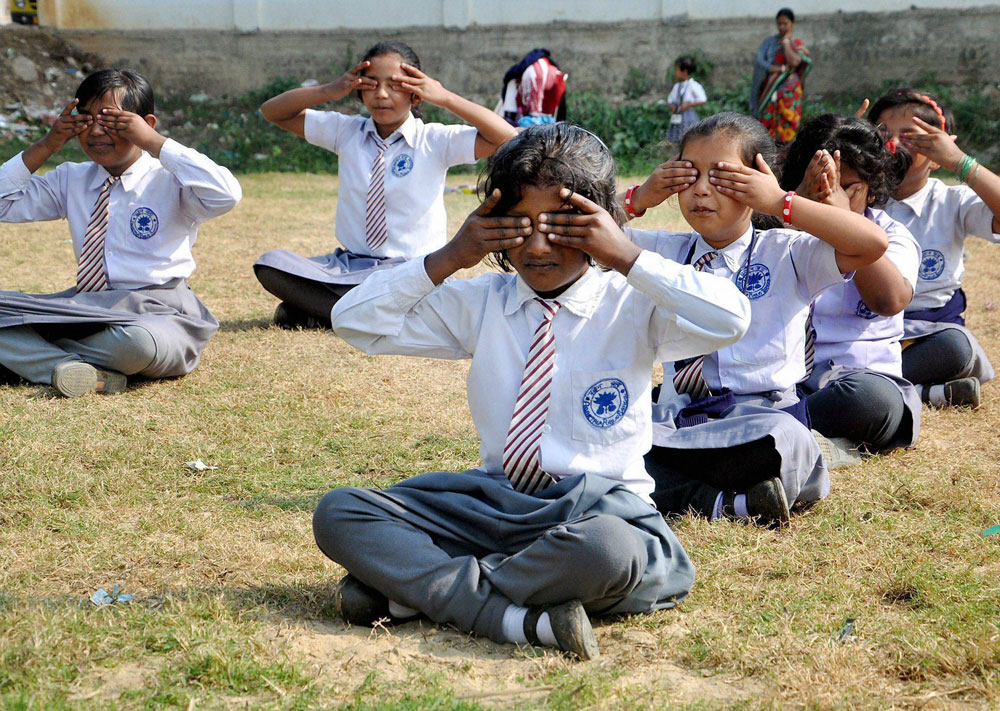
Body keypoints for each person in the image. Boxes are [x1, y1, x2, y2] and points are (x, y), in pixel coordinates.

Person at [313, 124, 752, 659]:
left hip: (597, 510)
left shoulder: (633, 303)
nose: (538, 245)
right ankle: (504, 611)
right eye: (517, 226)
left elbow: (732, 319)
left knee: (610, 553)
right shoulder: (483, 302)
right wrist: (450, 256)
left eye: (562, 226)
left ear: (598, 223)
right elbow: (352, 320)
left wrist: (625, 254)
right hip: (495, 503)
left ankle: (418, 594)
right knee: (342, 512)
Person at [613, 112, 888, 526]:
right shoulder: (662, 252)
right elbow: (580, 236)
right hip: (678, 418)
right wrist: (641, 196)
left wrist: (781, 202)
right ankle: (727, 504)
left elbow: (871, 244)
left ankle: (699, 489)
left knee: (787, 443)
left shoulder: (788, 252)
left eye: (722, 177)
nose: (702, 190)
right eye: (689, 175)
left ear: (757, 179)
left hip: (762, 422)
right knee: (607, 437)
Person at [0, 69, 241, 397]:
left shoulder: (170, 181)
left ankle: (35, 354)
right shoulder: (72, 179)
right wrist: (47, 144)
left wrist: (155, 143)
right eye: (86, 119)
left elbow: (227, 194)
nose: (96, 130)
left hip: (158, 312)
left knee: (138, 345)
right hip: (84, 308)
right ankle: (74, 371)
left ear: (146, 124)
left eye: (111, 119)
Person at [254, 41, 517, 329]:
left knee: (413, 289)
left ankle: (328, 311)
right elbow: (272, 112)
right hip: (349, 267)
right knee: (271, 265)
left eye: (395, 85)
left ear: (416, 94)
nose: (381, 94)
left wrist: (445, 97)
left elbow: (508, 137)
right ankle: (371, 312)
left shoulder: (435, 141)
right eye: (371, 84)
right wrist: (329, 90)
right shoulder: (346, 132)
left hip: (413, 269)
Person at [780, 114, 921, 456]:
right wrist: (797, 210)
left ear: (872, 186)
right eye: (821, 184)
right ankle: (797, 438)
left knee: (872, 400)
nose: (831, 196)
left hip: (858, 382)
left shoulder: (891, 235)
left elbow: (889, 300)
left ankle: (779, 432)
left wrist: (847, 222)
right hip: (784, 385)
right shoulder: (782, 234)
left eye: (848, 188)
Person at [869, 89, 1000, 408]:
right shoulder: (859, 197)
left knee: (957, 348)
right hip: (865, 331)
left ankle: (873, 384)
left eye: (910, 137)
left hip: (930, 333)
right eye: (883, 135)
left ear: (938, 147)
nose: (894, 146)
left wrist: (960, 162)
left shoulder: (951, 201)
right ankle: (927, 393)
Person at [752, 8, 812, 144]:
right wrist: (776, 68)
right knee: (766, 124)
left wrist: (786, 44)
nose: (782, 27)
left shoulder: (796, 44)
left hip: (789, 93)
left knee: (788, 123)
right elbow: (760, 62)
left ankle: (786, 150)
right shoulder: (769, 43)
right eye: (779, 23)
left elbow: (796, 62)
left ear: (792, 23)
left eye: (785, 23)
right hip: (770, 89)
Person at [494, 49, 568, 127]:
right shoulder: (556, 75)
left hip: (520, 125)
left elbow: (509, 113)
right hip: (546, 126)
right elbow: (561, 114)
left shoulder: (517, 77)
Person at [666, 55, 707, 145]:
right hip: (677, 114)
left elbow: (702, 99)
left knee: (689, 136)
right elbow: (670, 99)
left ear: (684, 72)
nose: (675, 73)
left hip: (688, 115)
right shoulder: (677, 86)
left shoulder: (693, 85)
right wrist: (671, 106)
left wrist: (688, 105)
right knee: (675, 137)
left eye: (677, 70)